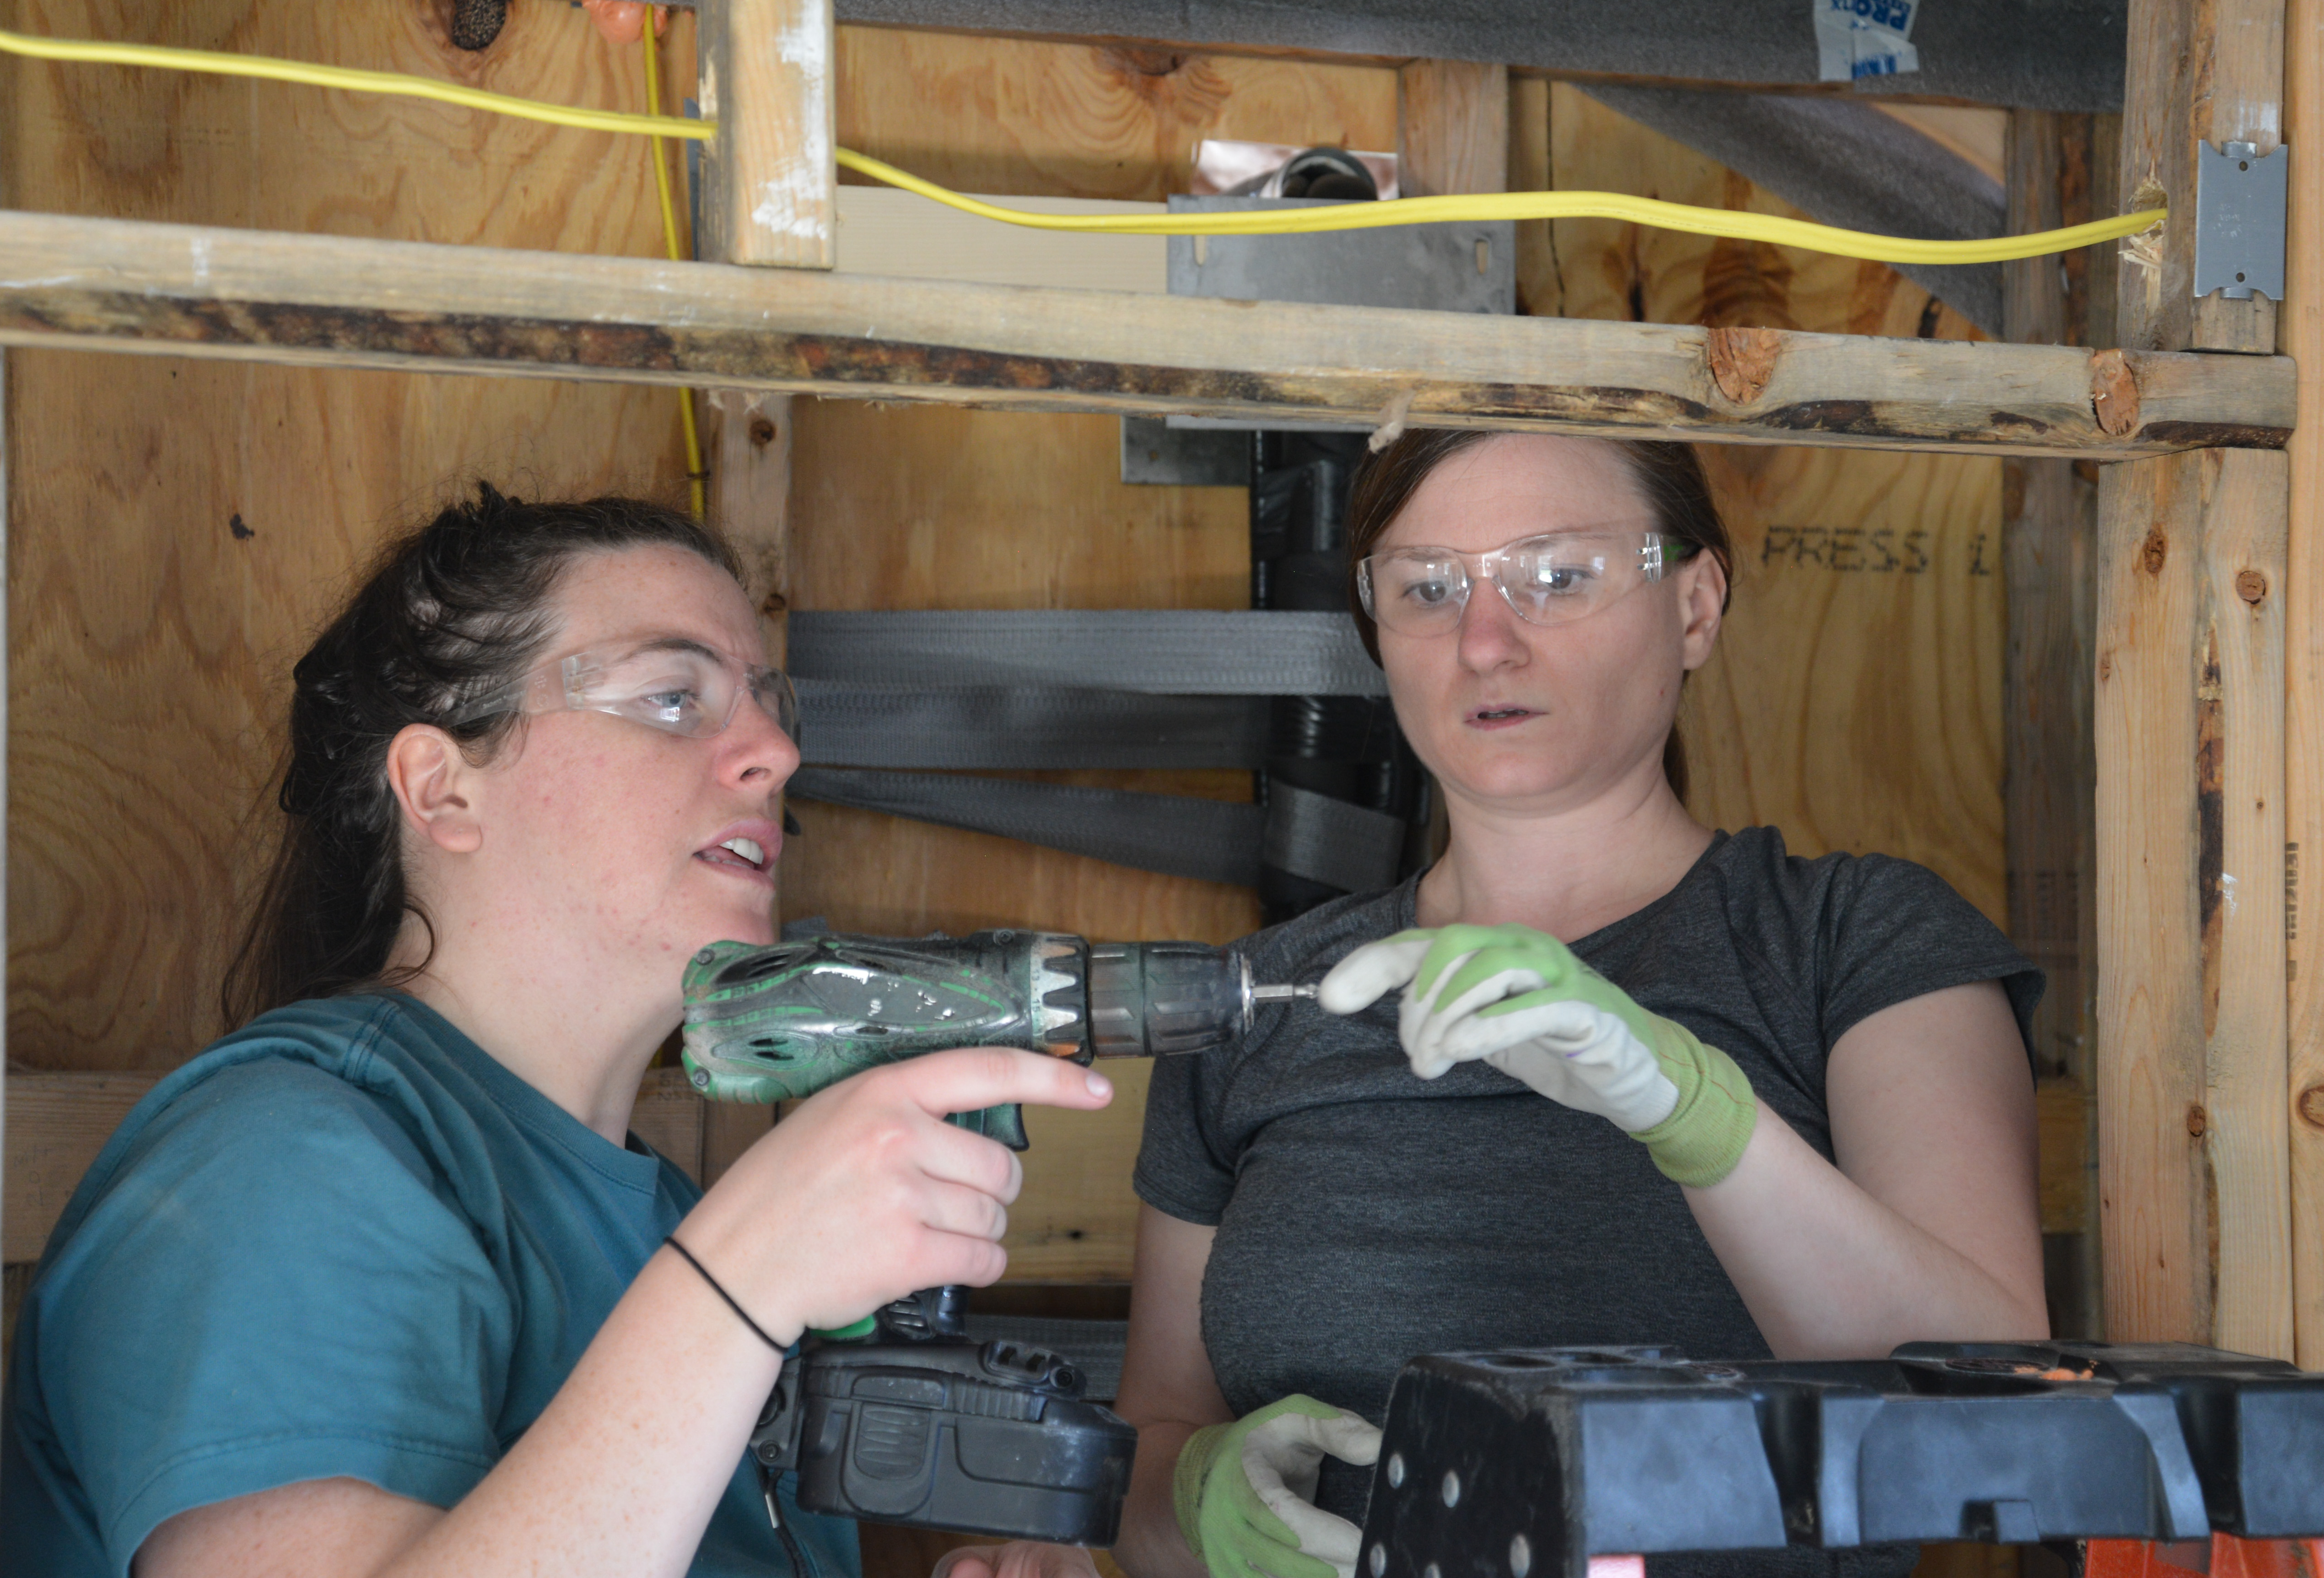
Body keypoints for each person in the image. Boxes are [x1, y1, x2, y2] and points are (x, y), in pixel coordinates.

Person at [1, 487, 1114, 1578]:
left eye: (771, 708)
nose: (773, 751)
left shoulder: (667, 1218)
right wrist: (737, 1282)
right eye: (672, 696)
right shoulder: (275, 1164)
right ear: (442, 791)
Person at [1109, 430, 2049, 1578]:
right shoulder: (1257, 998)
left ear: (1695, 606)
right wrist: (1194, 1498)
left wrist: (1697, 1117)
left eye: (1556, 576)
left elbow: (1993, 1409)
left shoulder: (1852, 938)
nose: (1484, 641)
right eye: (1427, 588)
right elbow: (1148, 1453)